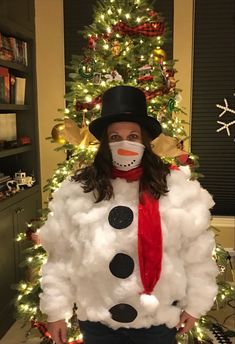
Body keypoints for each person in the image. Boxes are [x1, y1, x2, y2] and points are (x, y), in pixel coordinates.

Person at [39, 86, 218, 344]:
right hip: (98, 320)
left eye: (133, 135)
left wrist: (196, 304)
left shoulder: (176, 189)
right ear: (104, 144)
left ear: (144, 141)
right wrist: (56, 310)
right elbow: (60, 256)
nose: (124, 143)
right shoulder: (78, 191)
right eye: (115, 137)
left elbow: (197, 255)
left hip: (156, 320)